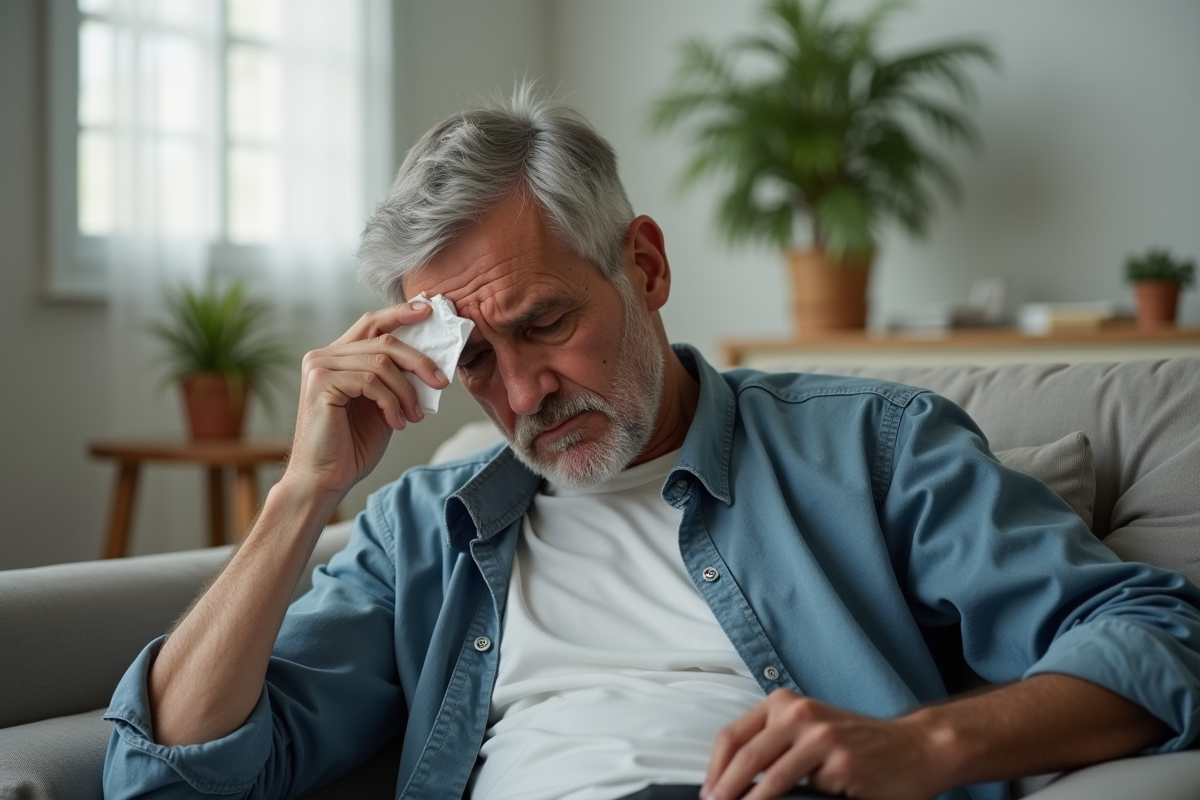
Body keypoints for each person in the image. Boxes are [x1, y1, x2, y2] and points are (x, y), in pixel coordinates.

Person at [102, 88, 1200, 800]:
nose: (523, 391)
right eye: (474, 360)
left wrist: (925, 744)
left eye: (546, 323)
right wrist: (301, 495)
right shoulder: (422, 534)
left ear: (646, 266)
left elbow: (1157, 635)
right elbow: (165, 775)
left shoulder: (869, 449)